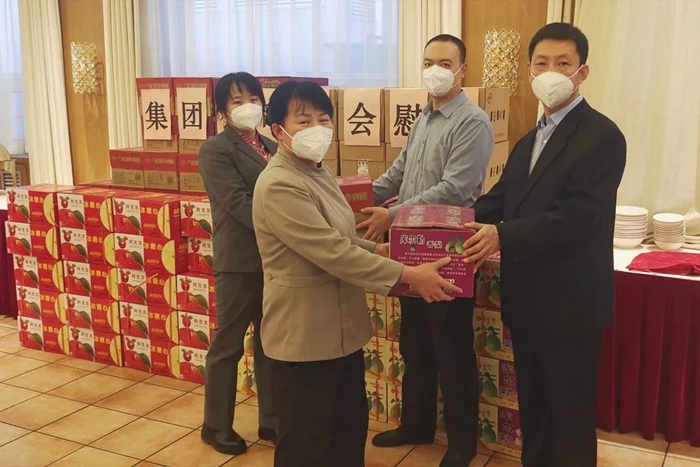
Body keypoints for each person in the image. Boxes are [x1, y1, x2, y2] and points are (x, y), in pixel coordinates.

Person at [252, 80, 462, 467]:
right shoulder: (280, 184)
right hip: (304, 338)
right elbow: (333, 253)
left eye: (324, 119)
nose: (317, 128)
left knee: (346, 437)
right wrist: (409, 274)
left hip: (341, 335)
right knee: (306, 448)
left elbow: (342, 239)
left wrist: (379, 250)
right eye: (303, 121)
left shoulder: (317, 172)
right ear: (277, 130)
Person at [462, 23, 626, 467]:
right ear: (530, 70)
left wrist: (502, 234)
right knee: (533, 406)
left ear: (582, 72)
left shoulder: (602, 136)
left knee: (569, 413)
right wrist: (433, 222)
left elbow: (577, 217)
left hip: (571, 304)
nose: (551, 72)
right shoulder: (529, 140)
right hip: (527, 300)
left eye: (563, 63)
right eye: (542, 63)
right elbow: (496, 202)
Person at [367, 34, 494, 467]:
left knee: (451, 350)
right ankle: (416, 424)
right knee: (415, 344)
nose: (434, 70)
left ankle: (461, 445)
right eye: (427, 62)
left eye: (444, 63)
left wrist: (391, 213)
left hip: (448, 250)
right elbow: (398, 174)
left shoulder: (472, 122)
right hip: (410, 246)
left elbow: (454, 189)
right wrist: (357, 197)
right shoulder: (423, 117)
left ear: (462, 70)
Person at [199, 72, 278, 455]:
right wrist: (288, 226)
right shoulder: (215, 150)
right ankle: (215, 426)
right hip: (239, 261)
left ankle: (272, 420)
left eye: (253, 98)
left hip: (275, 261)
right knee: (228, 346)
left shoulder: (272, 145)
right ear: (222, 111)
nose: (248, 106)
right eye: (237, 100)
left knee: (271, 343)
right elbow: (237, 203)